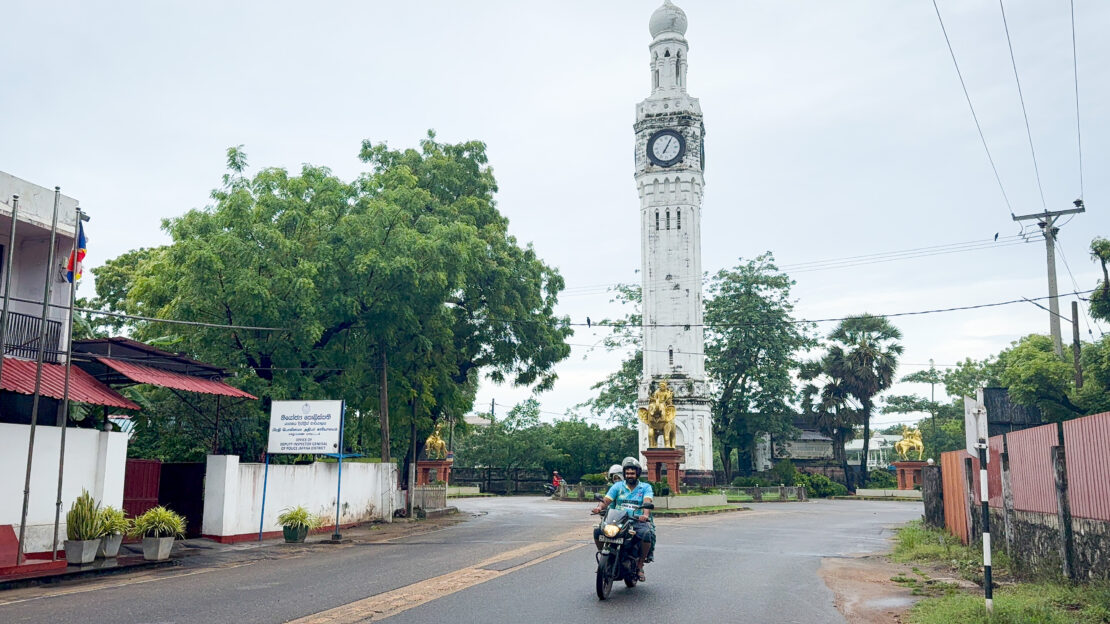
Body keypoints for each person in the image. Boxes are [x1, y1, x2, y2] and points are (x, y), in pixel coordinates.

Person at [592, 457, 655, 581]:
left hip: (637, 520)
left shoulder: (645, 487)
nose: (629, 475)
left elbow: (647, 501)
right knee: (598, 531)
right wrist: (599, 508)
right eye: (627, 473)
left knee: (647, 534)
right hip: (618, 520)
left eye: (632, 473)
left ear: (637, 473)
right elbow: (606, 500)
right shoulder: (618, 486)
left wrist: (645, 515)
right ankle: (604, 560)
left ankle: (640, 565)